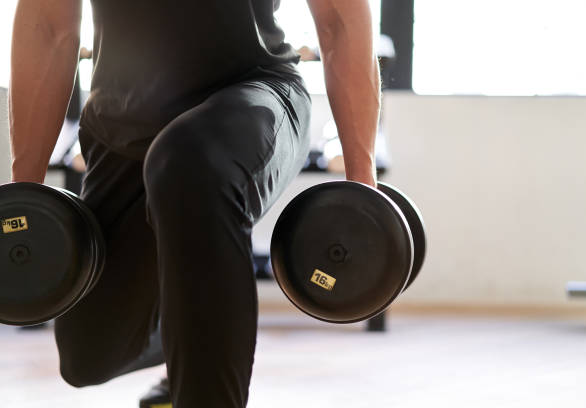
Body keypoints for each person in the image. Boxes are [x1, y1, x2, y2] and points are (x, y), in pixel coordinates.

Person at [9, 0, 381, 407]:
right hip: (124, 125)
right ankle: (195, 340)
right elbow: (49, 26)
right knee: (88, 356)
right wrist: (24, 201)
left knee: (190, 164)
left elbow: (339, 22)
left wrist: (362, 185)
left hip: (256, 95)